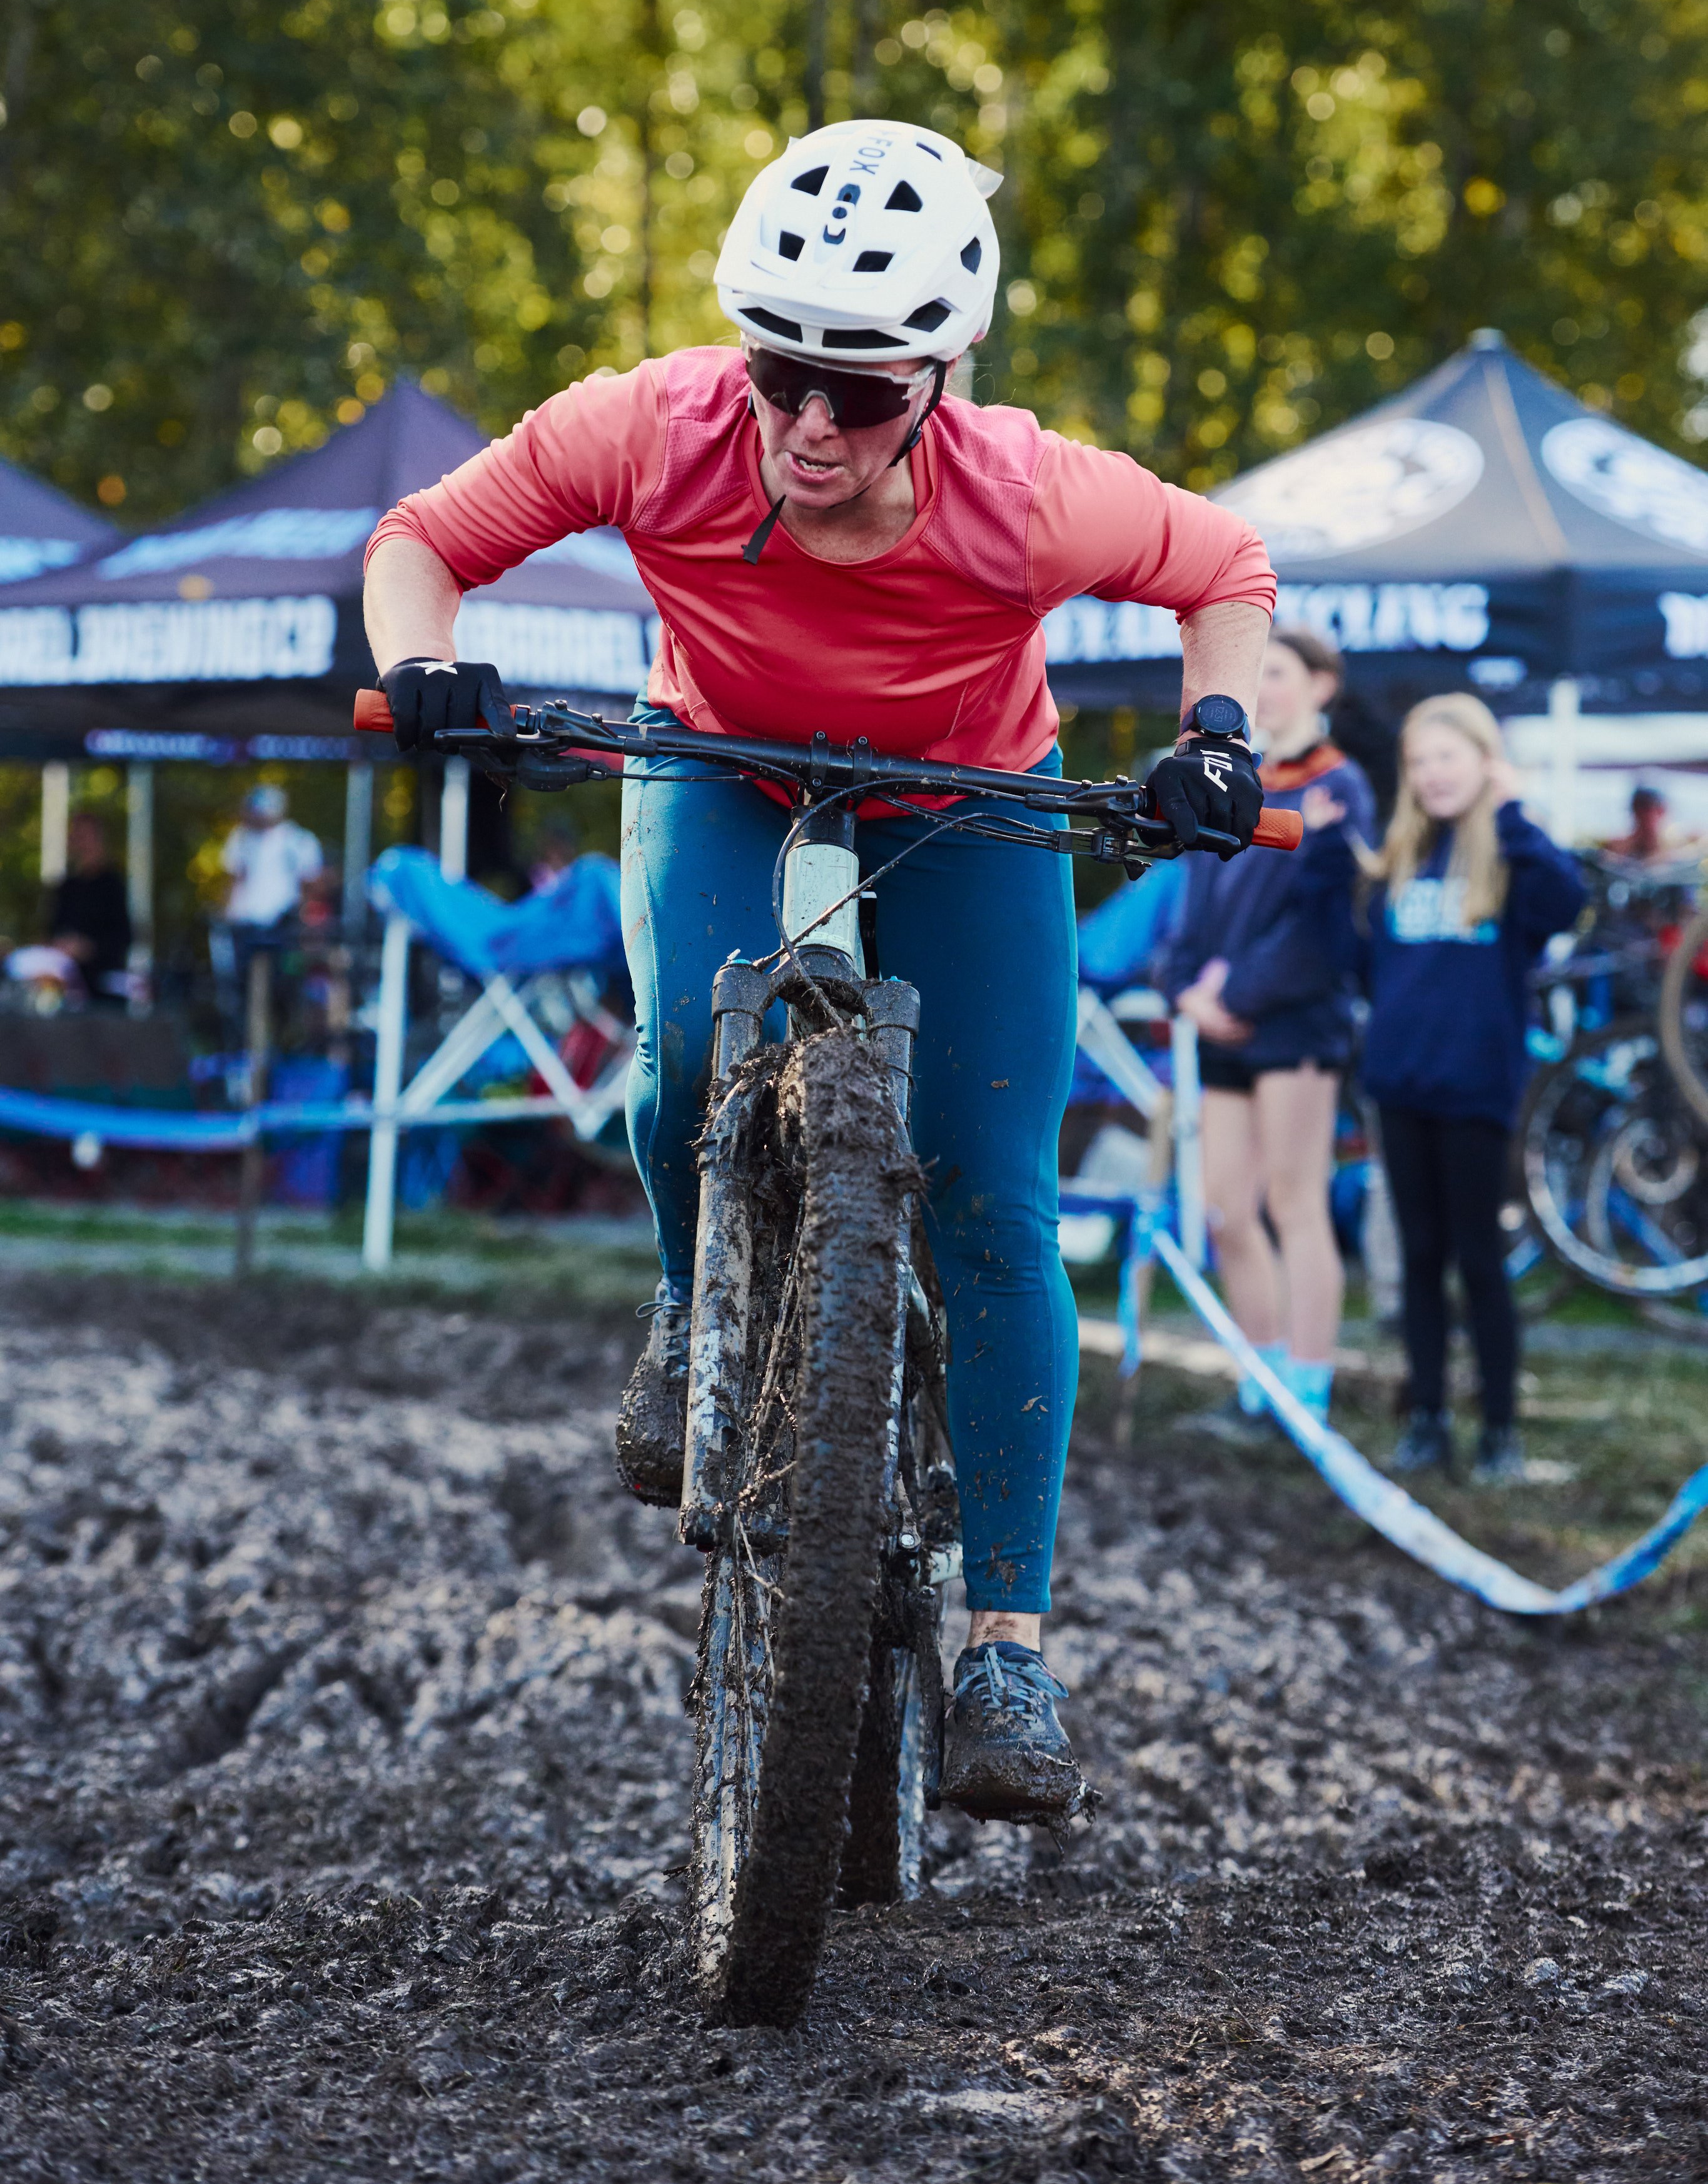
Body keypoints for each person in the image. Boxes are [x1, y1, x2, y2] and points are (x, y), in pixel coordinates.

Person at [360, 118, 1275, 1823]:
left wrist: (1218, 736)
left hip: (972, 793)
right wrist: (422, 664)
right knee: (682, 1061)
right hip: (719, 759)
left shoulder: (1026, 496)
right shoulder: (653, 427)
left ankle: (1006, 1648)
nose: (806, 425)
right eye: (779, 373)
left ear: (939, 379)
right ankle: (687, 1301)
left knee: (997, 1191)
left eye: (855, 393)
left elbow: (1222, 568)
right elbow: (421, 541)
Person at [1336, 693, 1584, 1484]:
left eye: (1448, 757)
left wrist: (1511, 812)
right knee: (1418, 1257)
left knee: (1478, 1257)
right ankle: (1427, 1420)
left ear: (1485, 762)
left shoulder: (1510, 856)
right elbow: (1364, 964)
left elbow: (1567, 902)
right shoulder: (1398, 857)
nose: (1433, 774)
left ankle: (1499, 1431)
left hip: (1476, 1088)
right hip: (1399, 1084)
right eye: (1420, 761)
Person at [1160, 628, 1375, 1428]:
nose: (1266, 688)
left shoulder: (1341, 785)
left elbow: (1324, 927)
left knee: (1295, 1202)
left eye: (1278, 673)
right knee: (1226, 1209)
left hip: (1294, 1026)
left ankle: (1307, 1393)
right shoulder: (1234, 774)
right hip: (1219, 1025)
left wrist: (1239, 993)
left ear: (1321, 685)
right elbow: (1194, 898)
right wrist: (1185, 990)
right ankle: (1262, 1380)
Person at [46, 811, 131, 1009]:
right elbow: (52, 931)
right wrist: (61, 946)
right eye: (77, 836)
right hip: (65, 989)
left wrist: (88, 948)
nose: (82, 843)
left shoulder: (112, 885)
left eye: (86, 836)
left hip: (104, 991)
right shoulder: (66, 888)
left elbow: (124, 936)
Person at [221, 783, 323, 931]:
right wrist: (229, 911)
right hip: (244, 921)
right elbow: (234, 878)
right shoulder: (240, 838)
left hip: (285, 922)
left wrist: (303, 919)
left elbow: (310, 883)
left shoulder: (299, 840)